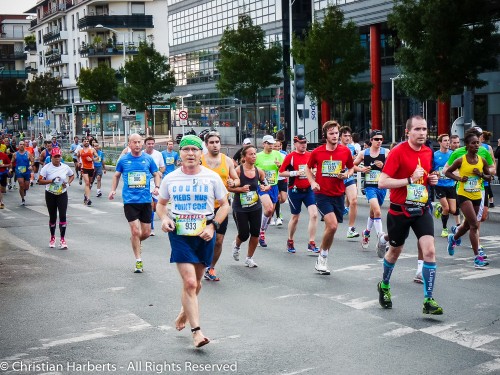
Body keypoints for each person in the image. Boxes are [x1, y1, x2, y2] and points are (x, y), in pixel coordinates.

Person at [156, 134, 229, 348]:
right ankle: (197, 332)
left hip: (204, 231)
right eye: (186, 149)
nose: (190, 153)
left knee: (196, 283)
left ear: (201, 153)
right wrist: (164, 218)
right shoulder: (171, 178)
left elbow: (225, 205)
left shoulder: (212, 177)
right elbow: (161, 205)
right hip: (179, 232)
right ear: (180, 153)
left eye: (194, 150)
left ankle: (184, 311)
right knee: (189, 282)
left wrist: (213, 225)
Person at [377, 115, 442, 315]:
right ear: (408, 131)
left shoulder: (428, 151)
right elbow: (382, 182)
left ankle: (428, 300)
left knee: (429, 251)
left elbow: (427, 175)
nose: (422, 133)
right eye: (418, 129)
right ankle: (384, 285)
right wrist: (408, 179)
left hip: (421, 208)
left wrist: (433, 178)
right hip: (399, 210)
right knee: (395, 251)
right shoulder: (397, 152)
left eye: (424, 129)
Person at [306, 121, 354, 275]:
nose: (335, 136)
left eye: (336, 133)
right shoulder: (317, 152)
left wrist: (346, 174)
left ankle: (322, 255)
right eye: (331, 133)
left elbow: (351, 167)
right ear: (325, 135)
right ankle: (322, 258)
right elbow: (307, 168)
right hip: (322, 194)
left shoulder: (345, 151)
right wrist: (312, 182)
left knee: (331, 229)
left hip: (338, 193)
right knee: (332, 226)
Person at [108, 133, 161, 273]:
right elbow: (116, 175)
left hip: (145, 200)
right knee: (135, 231)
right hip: (130, 200)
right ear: (129, 144)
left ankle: (135, 241)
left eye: (139, 142)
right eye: (134, 142)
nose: (137, 145)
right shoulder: (124, 160)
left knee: (147, 233)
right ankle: (138, 261)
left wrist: (156, 187)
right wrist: (113, 190)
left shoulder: (148, 159)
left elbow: (156, 174)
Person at [444, 127, 495, 260]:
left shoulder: (482, 159)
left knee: (467, 225)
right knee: (474, 225)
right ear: (467, 145)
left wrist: (481, 175)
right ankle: (478, 257)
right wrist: (460, 178)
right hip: (463, 194)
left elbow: (490, 177)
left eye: (477, 142)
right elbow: (447, 172)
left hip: (477, 194)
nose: (476, 145)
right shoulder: (461, 159)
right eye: (473, 143)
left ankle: (453, 238)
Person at [201, 131, 239, 281]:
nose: (215, 145)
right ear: (206, 145)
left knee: (219, 240)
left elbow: (236, 179)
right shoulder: (200, 160)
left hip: (221, 206)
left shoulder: (227, 160)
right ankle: (199, 264)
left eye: (217, 142)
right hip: (202, 207)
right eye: (211, 142)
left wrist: (233, 183)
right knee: (202, 238)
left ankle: (211, 267)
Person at [279, 134, 319, 253]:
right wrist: (295, 173)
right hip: (295, 190)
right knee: (295, 217)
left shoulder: (310, 155)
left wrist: (314, 172)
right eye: (301, 143)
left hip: (308, 190)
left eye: (305, 142)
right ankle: (290, 240)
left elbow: (316, 167)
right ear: (295, 144)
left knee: (314, 214)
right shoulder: (290, 157)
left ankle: (311, 242)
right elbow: (281, 173)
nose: (303, 145)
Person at [230, 145, 269, 266]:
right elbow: (229, 188)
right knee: (244, 234)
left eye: (255, 154)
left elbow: (267, 185)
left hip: (255, 206)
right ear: (244, 157)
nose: (254, 156)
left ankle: (249, 258)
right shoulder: (238, 171)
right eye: (251, 154)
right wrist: (241, 189)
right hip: (240, 207)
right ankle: (236, 246)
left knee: (255, 233)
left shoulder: (259, 171)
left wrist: (264, 187)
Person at [353, 130, 390, 256]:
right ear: (371, 140)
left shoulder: (386, 153)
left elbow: (392, 168)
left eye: (381, 139)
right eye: (376, 139)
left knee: (373, 212)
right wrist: (362, 169)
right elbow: (353, 166)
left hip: (382, 186)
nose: (379, 141)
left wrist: (383, 166)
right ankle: (381, 238)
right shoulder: (364, 153)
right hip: (370, 187)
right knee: (378, 211)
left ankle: (366, 233)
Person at [38, 148, 75, 248]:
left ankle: (62, 239)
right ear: (51, 157)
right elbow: (40, 181)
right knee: (53, 217)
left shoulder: (65, 167)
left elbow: (72, 175)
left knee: (63, 215)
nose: (57, 159)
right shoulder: (46, 167)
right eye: (55, 157)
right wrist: (51, 181)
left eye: (59, 156)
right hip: (50, 194)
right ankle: (52, 237)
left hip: (62, 193)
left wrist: (67, 183)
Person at [255, 135, 284, 247]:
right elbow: (252, 169)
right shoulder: (258, 156)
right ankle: (261, 232)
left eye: (272, 144)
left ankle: (262, 232)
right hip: (261, 186)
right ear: (264, 144)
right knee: (269, 208)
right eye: (269, 143)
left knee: (270, 212)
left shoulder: (277, 155)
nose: (271, 146)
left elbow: (283, 170)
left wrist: (280, 166)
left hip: (274, 186)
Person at [432, 134, 456, 238]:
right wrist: (435, 172)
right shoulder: (435, 155)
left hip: (450, 184)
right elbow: (431, 169)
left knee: (453, 210)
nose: (447, 143)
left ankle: (439, 208)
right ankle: (445, 228)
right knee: (447, 208)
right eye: (445, 140)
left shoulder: (453, 154)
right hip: (439, 185)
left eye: (448, 141)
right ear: (440, 142)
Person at [339, 126, 360, 238]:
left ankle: (351, 229)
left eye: (349, 136)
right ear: (340, 136)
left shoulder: (352, 148)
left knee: (354, 201)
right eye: (345, 136)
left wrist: (361, 169)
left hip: (348, 177)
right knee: (335, 206)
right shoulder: (336, 147)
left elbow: (351, 165)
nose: (347, 138)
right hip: (336, 178)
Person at [143, 137, 166, 236]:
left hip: (155, 182)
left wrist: (160, 173)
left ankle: (147, 222)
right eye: (149, 143)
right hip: (143, 183)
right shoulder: (141, 154)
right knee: (150, 205)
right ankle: (150, 227)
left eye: (152, 143)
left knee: (155, 206)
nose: (151, 145)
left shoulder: (158, 154)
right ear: (145, 144)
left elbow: (162, 166)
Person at [11, 140, 34, 206]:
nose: (22, 145)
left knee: (26, 187)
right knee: (21, 184)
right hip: (19, 171)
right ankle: (23, 199)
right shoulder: (15, 154)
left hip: (26, 171)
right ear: (18, 146)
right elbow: (12, 162)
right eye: (20, 144)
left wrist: (31, 165)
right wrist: (10, 168)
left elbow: (32, 161)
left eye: (23, 144)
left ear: (24, 146)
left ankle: (24, 190)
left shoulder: (28, 153)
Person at [271, 139, 288, 226]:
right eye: (275, 146)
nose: (277, 148)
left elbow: (287, 166)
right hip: (275, 179)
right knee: (277, 197)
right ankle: (277, 216)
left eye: (279, 146)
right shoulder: (270, 155)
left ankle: (278, 208)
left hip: (283, 178)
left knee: (283, 198)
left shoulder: (284, 154)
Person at [77, 137, 98, 206]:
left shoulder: (92, 150)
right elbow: (78, 156)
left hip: (91, 168)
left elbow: (98, 158)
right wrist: (79, 162)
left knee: (89, 184)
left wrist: (92, 159)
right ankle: (88, 199)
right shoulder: (80, 150)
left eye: (87, 141)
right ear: (82, 142)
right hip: (84, 168)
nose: (86, 142)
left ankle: (86, 195)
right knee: (87, 182)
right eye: (85, 141)